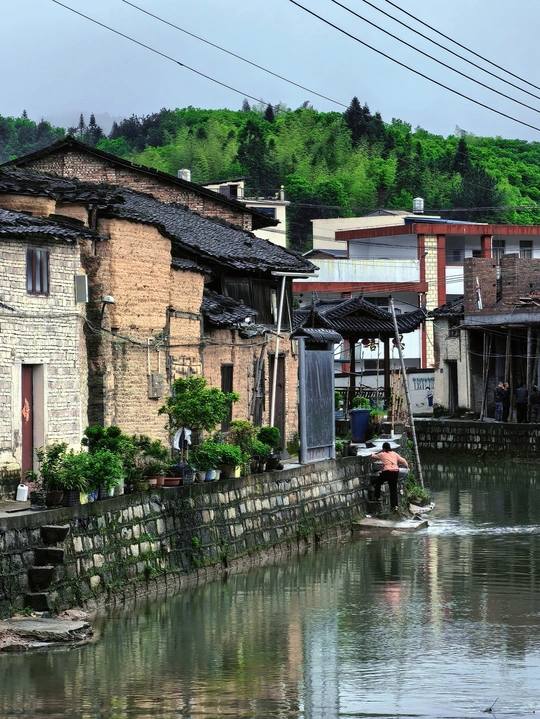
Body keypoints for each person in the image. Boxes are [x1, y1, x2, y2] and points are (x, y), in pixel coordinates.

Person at [372, 442, 409, 512]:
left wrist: (373, 453)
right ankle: (395, 506)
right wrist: (407, 467)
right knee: (393, 489)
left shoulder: (382, 454)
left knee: (378, 482)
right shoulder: (395, 454)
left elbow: (373, 456)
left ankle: (377, 497)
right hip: (395, 472)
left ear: (383, 448)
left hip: (387, 472)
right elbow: (403, 460)